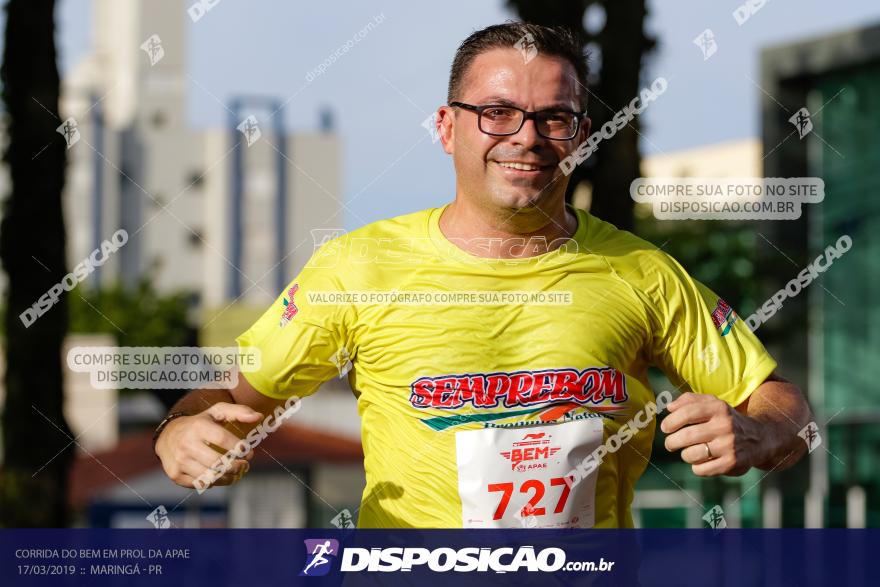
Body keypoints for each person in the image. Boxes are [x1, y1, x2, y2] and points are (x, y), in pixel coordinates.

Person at [154, 22, 812, 528]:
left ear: (580, 136)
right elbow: (226, 400)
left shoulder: (643, 273)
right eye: (497, 112)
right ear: (446, 128)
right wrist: (181, 432)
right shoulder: (357, 266)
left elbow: (782, 405)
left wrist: (759, 431)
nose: (526, 137)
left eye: (554, 117)